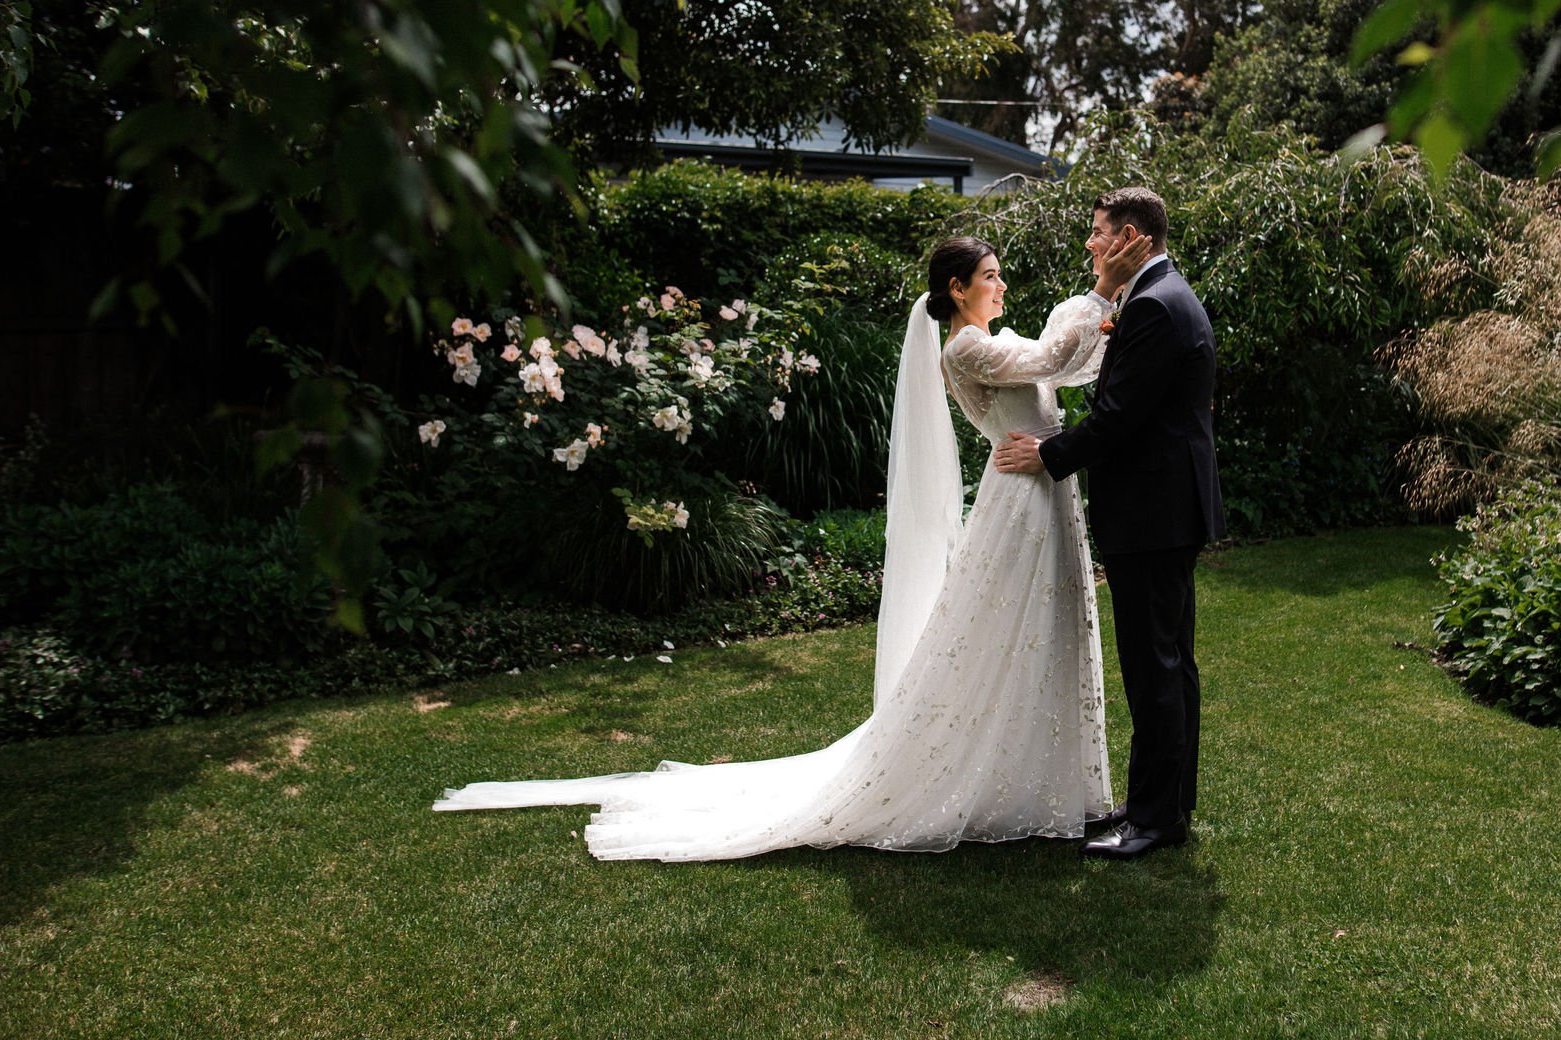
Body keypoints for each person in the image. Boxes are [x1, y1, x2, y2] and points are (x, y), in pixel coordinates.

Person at [433, 230, 1153, 861]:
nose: (1002, 284)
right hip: (1017, 507)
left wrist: (1109, 321)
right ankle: (1003, 783)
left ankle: (1046, 783)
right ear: (957, 290)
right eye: (990, 276)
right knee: (1012, 636)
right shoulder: (967, 349)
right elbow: (1053, 354)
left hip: (1041, 494)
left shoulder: (994, 342)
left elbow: (1062, 364)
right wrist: (1099, 290)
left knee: (1042, 635)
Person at [993, 186, 1224, 861]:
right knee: (1170, 663)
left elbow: (1119, 414)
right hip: (1168, 508)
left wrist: (1048, 454)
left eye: (1098, 233)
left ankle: (1154, 819)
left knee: (1155, 668)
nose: (1091, 245)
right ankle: (1166, 800)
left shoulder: (1152, 303)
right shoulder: (1159, 293)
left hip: (1153, 512)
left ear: (1131, 236)